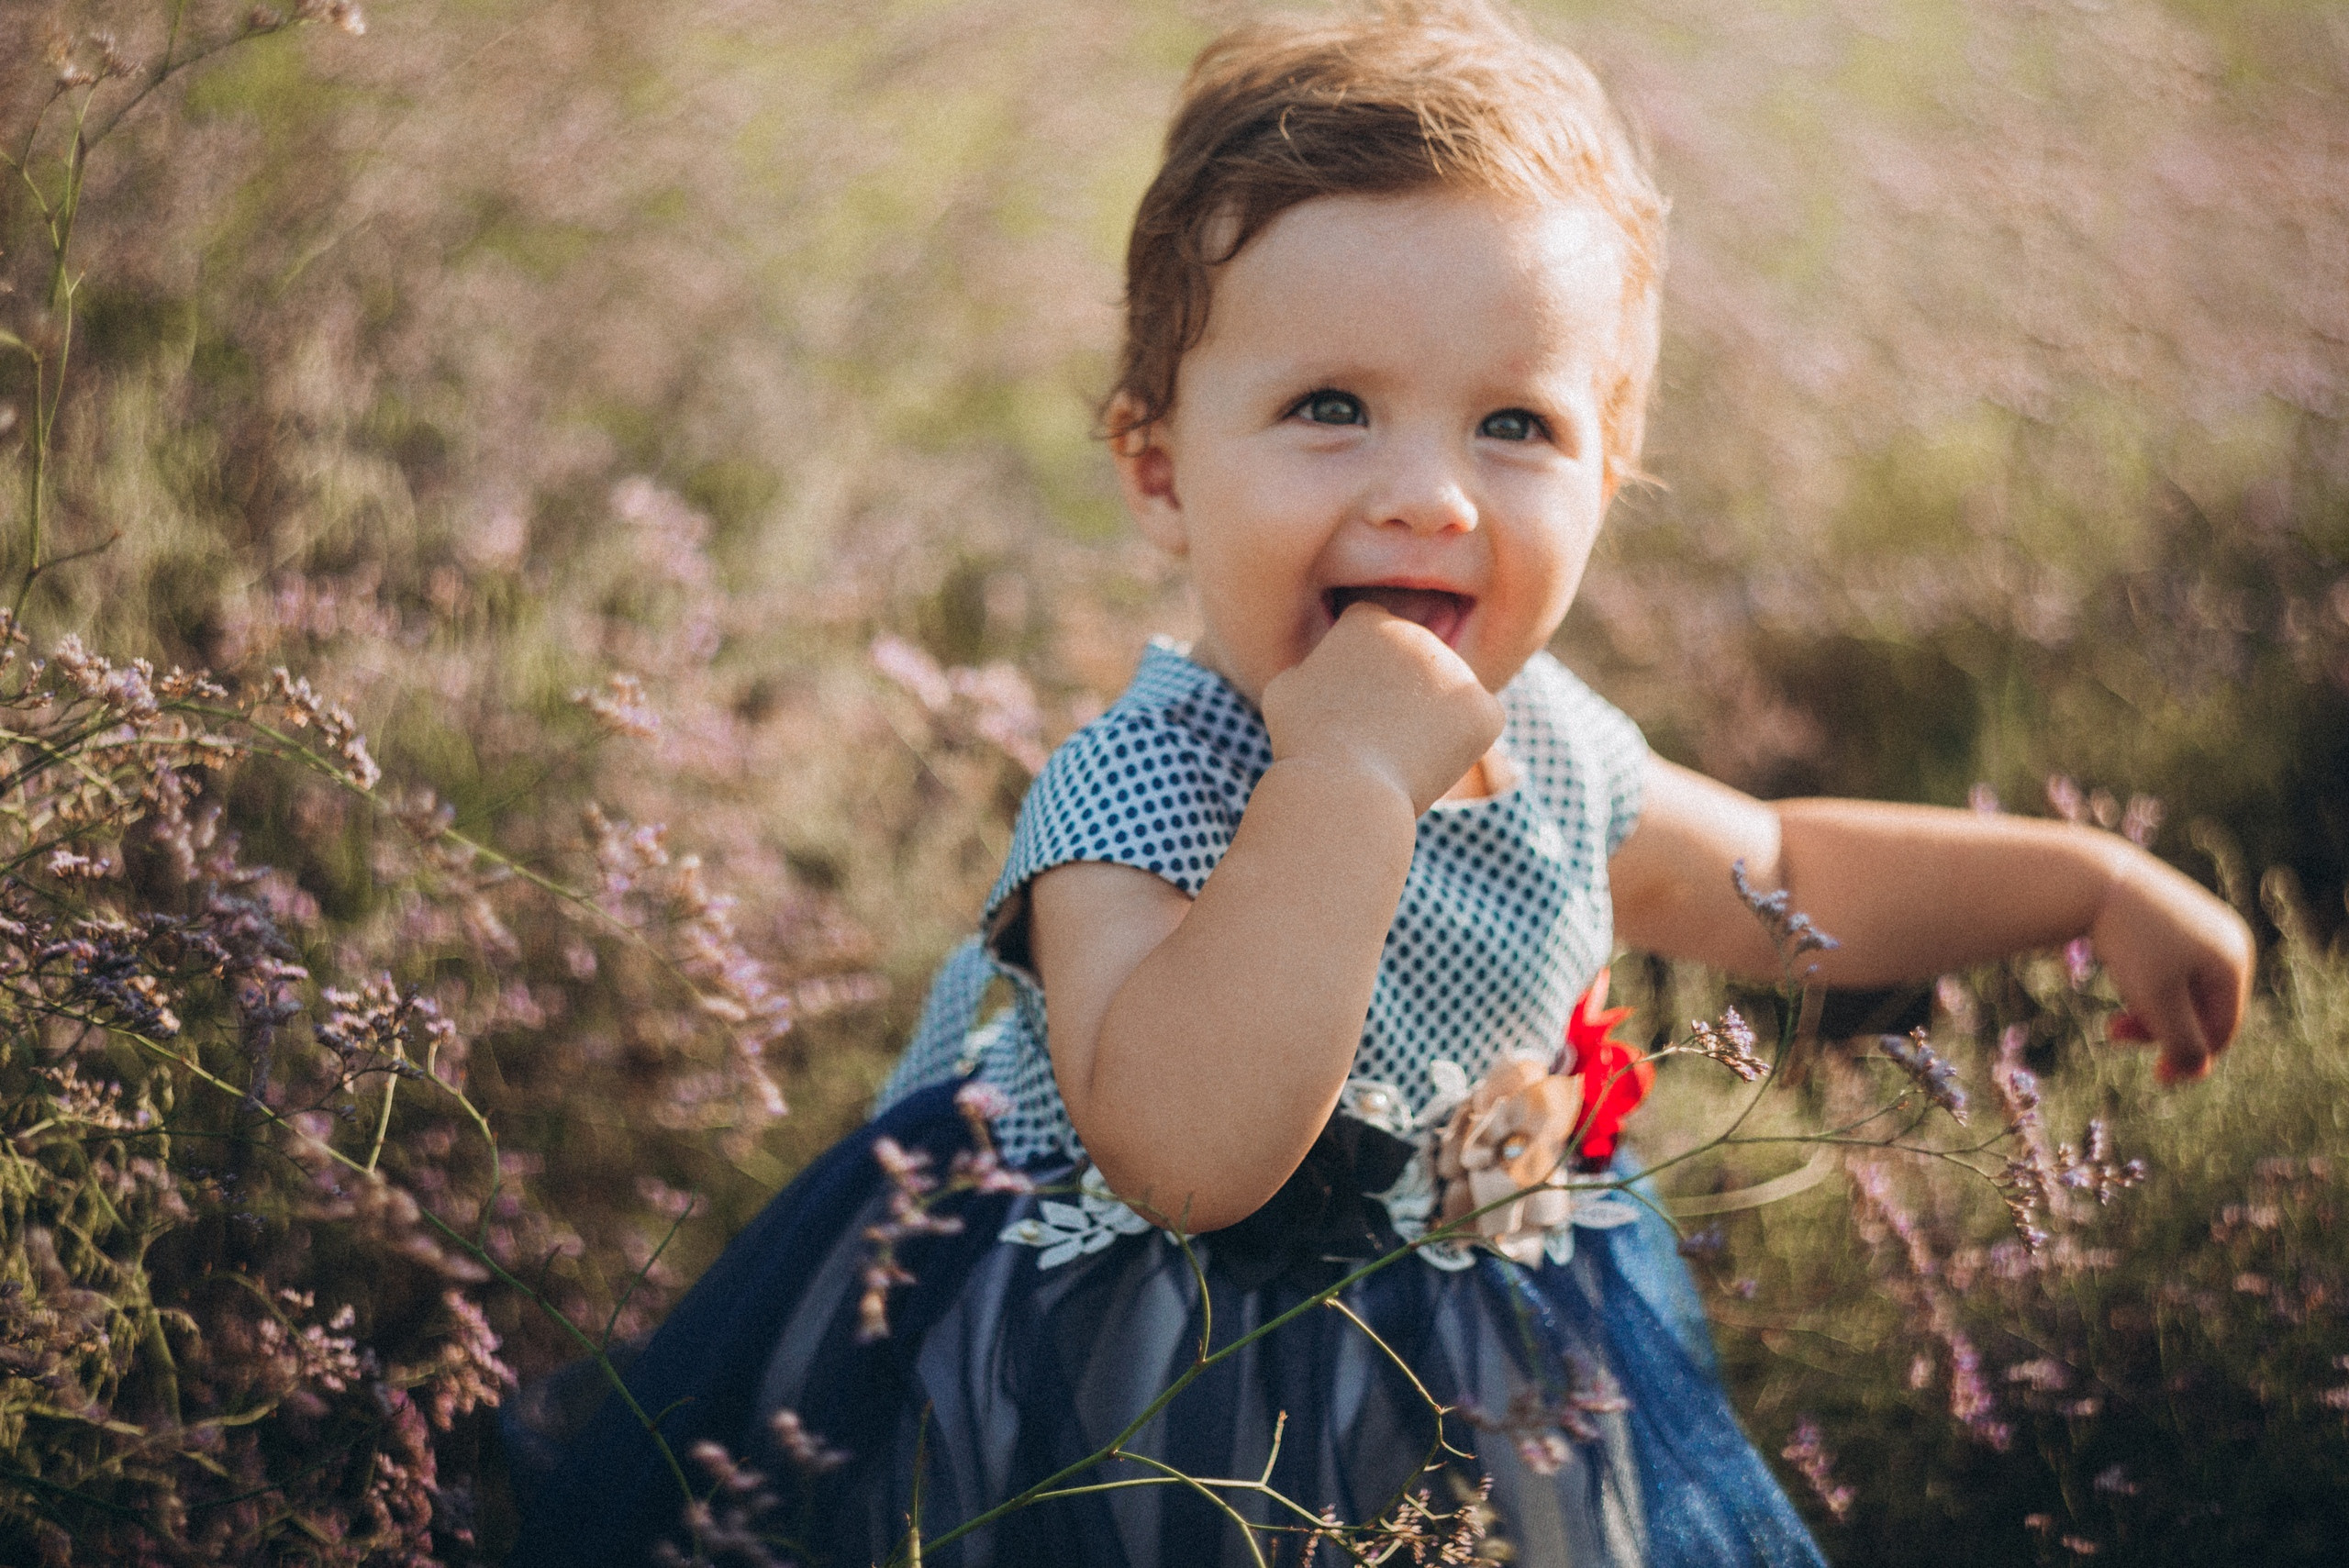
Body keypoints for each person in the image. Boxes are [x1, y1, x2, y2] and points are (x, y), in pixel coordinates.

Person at [508, 4, 2254, 1563]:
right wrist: (1341, 773)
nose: (1430, 493)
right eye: (1331, 406)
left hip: (1492, 1374)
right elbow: (1191, 1152)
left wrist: (2082, 882)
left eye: (1517, 425)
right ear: (1160, 466)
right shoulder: (1132, 799)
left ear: (1611, 466)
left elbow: (1793, 873)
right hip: (1136, 1407)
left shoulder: (1554, 746)